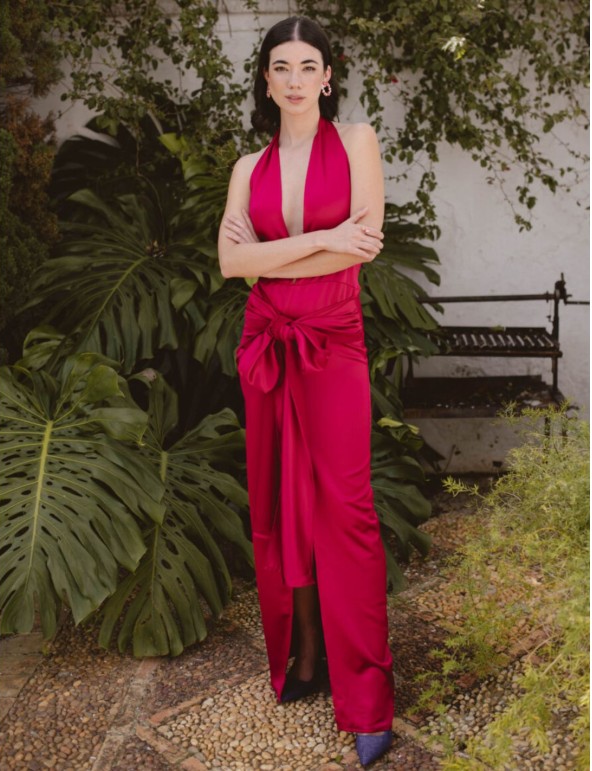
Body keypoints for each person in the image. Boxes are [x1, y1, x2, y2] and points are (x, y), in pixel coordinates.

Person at [218, 15, 394, 767]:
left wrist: (275, 255)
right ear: (266, 81)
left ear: (328, 78)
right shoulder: (246, 168)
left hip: (332, 341)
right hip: (267, 341)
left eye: (308, 66)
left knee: (346, 513)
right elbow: (232, 265)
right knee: (278, 503)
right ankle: (307, 655)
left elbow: (362, 249)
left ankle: (368, 699)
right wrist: (324, 238)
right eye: (281, 67)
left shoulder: (357, 142)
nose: (294, 79)